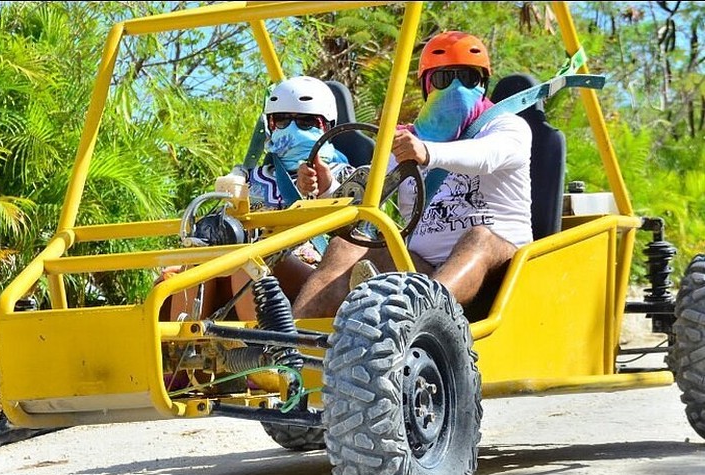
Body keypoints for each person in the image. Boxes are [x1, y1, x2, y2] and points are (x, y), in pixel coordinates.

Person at [292, 30, 533, 320]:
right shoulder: (405, 142)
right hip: (421, 271)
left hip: (503, 269)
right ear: (427, 86)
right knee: (347, 244)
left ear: (484, 84)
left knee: (480, 236)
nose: (457, 88)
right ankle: (292, 346)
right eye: (444, 79)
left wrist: (427, 153)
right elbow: (370, 196)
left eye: (469, 79)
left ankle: (417, 324)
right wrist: (328, 187)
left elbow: (487, 155)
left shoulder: (507, 127)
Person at [160, 76, 356, 321]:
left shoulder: (345, 175)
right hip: (245, 264)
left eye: (306, 122)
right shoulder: (248, 178)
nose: (291, 129)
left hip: (312, 271)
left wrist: (326, 190)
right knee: (198, 258)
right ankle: (183, 347)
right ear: (269, 125)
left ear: (327, 127)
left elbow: (359, 238)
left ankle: (258, 346)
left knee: (248, 259)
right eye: (281, 120)